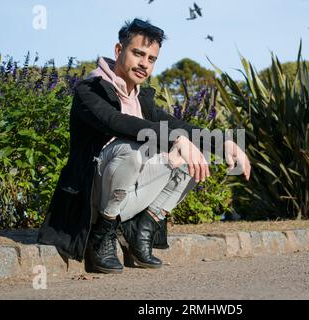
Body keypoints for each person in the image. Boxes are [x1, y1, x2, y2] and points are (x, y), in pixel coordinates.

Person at [37, 18, 251, 274]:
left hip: (129, 197)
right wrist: (175, 140)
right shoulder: (90, 90)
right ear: (119, 51)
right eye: (138, 53)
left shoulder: (142, 99)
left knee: (197, 151)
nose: (144, 64)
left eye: (151, 59)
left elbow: (178, 125)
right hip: (89, 201)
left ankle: (142, 230)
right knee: (132, 146)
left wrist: (224, 142)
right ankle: (102, 235)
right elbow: (116, 122)